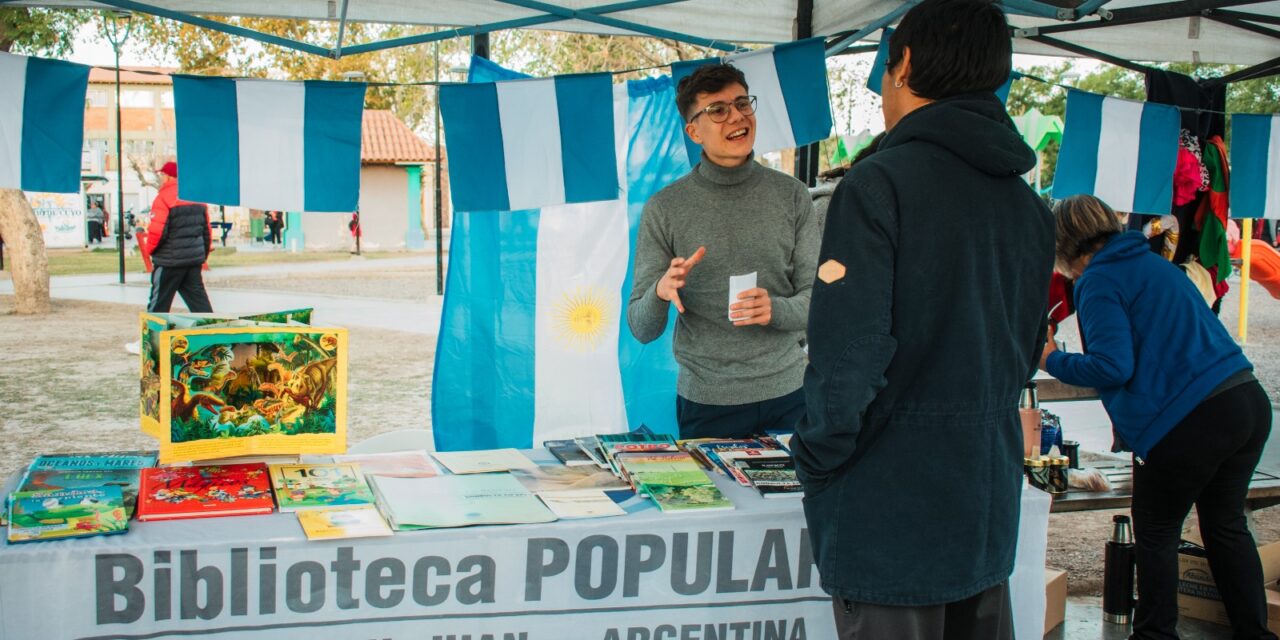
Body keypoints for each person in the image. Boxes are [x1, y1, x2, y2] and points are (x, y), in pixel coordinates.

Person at [789, 0, 1055, 636]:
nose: (882, 90)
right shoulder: (1027, 203)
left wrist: (817, 456)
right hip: (984, 491)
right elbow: (1027, 350)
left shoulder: (878, 185)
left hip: (891, 503)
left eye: (883, 71)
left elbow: (850, 354)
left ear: (903, 66)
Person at [1042, 195, 1274, 640]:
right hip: (1244, 399)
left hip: (1190, 419)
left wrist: (1052, 359)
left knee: (1156, 531)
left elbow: (1113, 366)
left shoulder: (1099, 280)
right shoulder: (1154, 264)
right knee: (1226, 527)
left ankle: (1154, 635)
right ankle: (1256, 634)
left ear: (1065, 245)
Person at [627, 63, 818, 440]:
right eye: (718, 110)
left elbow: (821, 300)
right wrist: (661, 292)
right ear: (693, 130)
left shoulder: (793, 195)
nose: (736, 116)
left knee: (800, 501)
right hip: (708, 403)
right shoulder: (665, 208)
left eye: (742, 103)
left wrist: (775, 309)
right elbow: (641, 327)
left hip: (791, 394)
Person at [144, 161, 213, 313]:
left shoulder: (163, 198)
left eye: (162, 174)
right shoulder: (196, 197)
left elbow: (157, 232)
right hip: (192, 261)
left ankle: (153, 334)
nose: (161, 177)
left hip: (169, 261)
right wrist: (202, 256)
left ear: (169, 177)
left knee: (159, 304)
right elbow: (206, 231)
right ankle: (210, 331)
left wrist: (150, 251)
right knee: (199, 303)